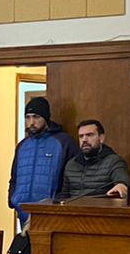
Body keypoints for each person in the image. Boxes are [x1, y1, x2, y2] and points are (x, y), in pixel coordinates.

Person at [8, 97, 80, 228]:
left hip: (52, 213)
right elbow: (14, 177)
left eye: (36, 117)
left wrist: (59, 201)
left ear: (46, 118)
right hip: (23, 211)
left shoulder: (63, 142)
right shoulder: (22, 145)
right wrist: (13, 199)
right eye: (28, 117)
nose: (31, 122)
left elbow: (74, 177)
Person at [57, 119, 130, 200]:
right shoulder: (71, 164)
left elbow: (123, 180)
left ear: (101, 138)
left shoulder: (113, 161)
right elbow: (64, 196)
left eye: (89, 135)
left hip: (100, 207)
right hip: (73, 207)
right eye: (81, 136)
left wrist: (121, 185)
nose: (84, 140)